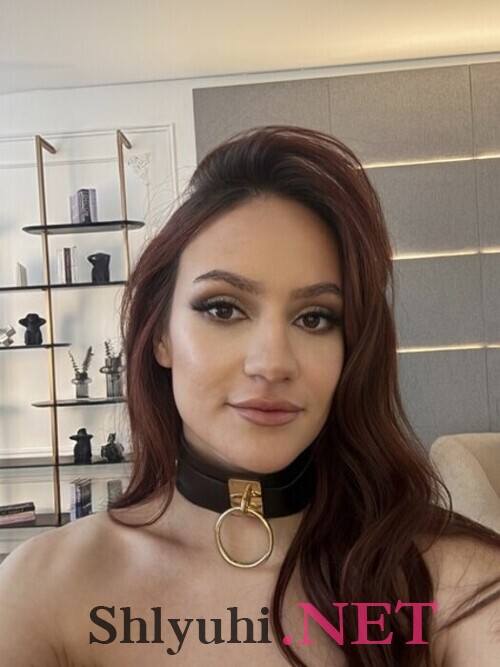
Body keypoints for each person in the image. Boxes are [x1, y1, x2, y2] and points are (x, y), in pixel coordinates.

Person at [0, 125, 498, 666]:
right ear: (161, 335)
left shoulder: (454, 581)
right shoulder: (47, 588)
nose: (272, 363)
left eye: (315, 317)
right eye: (223, 308)